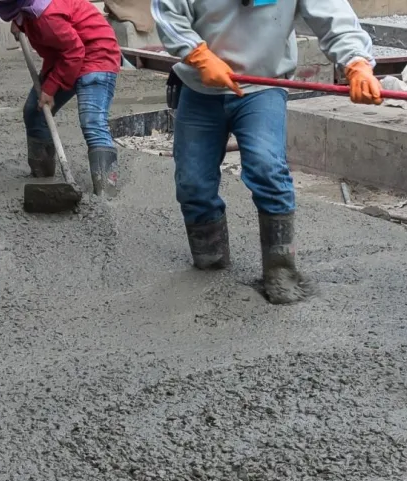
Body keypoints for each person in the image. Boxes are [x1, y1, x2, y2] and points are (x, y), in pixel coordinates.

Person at [152, 0, 383, 304]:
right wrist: (197, 55)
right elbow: (168, 12)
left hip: (262, 87)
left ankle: (280, 270)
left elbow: (334, 17)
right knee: (192, 181)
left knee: (266, 167)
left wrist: (357, 62)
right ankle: (210, 260)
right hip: (199, 88)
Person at [0, 0, 123, 196]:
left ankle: (106, 192)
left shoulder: (47, 17)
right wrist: (20, 22)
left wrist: (51, 88)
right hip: (65, 57)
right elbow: (66, 50)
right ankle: (43, 178)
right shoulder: (32, 12)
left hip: (96, 54)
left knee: (92, 122)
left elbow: (74, 52)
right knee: (35, 112)